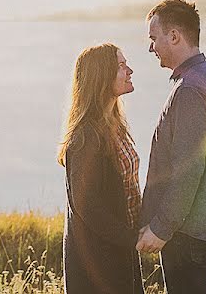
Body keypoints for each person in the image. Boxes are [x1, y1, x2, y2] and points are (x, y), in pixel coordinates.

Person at [135, 0, 206, 294]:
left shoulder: (190, 89)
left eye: (154, 38)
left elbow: (189, 169)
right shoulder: (205, 76)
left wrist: (161, 228)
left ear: (175, 36)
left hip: (185, 233)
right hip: (194, 230)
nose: (151, 48)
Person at [59, 43, 144, 294]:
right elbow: (87, 207)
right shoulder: (85, 137)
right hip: (97, 262)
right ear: (101, 75)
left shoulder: (114, 126)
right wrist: (132, 239)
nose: (129, 70)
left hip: (120, 252)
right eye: (121, 65)